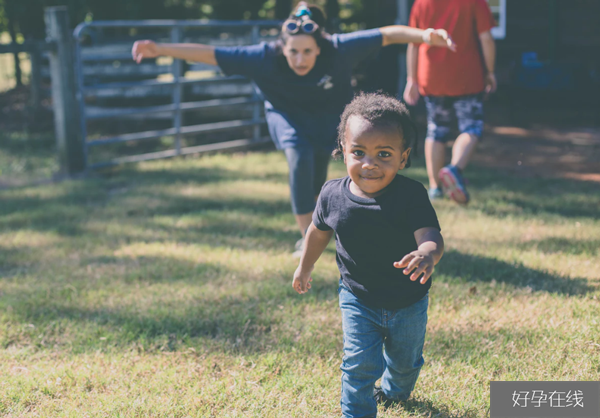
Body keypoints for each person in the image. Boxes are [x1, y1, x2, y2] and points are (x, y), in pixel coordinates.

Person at [132, 3, 455, 254]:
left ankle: (316, 224)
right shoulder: (261, 57)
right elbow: (210, 55)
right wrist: (160, 49)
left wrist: (425, 36)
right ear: (282, 48)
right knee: (299, 156)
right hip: (286, 116)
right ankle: (307, 238)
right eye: (293, 52)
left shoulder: (339, 48)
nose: (300, 59)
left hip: (328, 117)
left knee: (316, 171)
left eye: (307, 52)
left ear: (320, 47)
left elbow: (387, 34)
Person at [292, 92, 444, 418]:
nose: (369, 164)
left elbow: (431, 235)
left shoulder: (410, 195)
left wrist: (427, 254)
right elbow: (318, 233)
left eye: (384, 154)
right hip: (357, 297)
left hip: (408, 301)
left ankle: (395, 390)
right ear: (342, 151)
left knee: (406, 362)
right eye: (358, 152)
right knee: (359, 364)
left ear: (403, 158)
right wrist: (305, 267)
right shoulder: (332, 195)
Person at [403, 0, 497, 204]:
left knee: (436, 130)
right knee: (471, 126)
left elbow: (413, 42)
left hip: (431, 77)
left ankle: (435, 188)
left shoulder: (421, 3)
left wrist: (411, 79)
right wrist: (490, 72)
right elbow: (486, 38)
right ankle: (454, 169)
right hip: (466, 76)